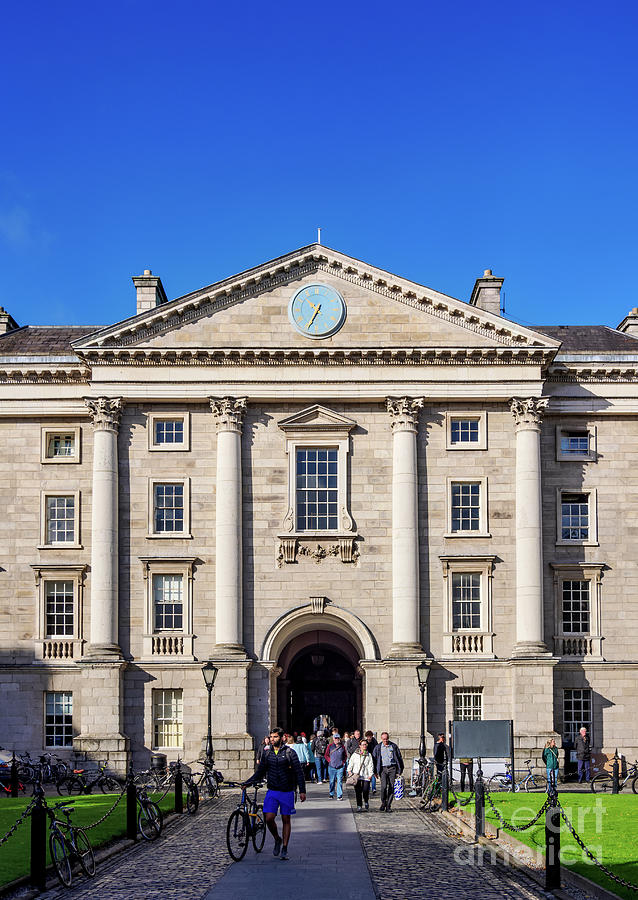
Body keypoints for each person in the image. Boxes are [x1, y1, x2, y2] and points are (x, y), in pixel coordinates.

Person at [243, 726, 306, 861]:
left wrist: (302, 791)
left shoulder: (290, 753)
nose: (272, 739)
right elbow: (260, 772)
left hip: (287, 791)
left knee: (285, 819)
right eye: (271, 737)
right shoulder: (267, 753)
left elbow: (299, 772)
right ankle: (277, 838)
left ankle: (284, 847)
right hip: (272, 790)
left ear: (282, 738)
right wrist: (247, 782)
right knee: (269, 818)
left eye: (275, 737)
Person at [372, 731, 404, 812]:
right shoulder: (378, 747)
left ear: (388, 738)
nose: (385, 741)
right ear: (381, 739)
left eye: (386, 739)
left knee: (391, 787)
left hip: (392, 768)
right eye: (384, 739)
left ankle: (388, 805)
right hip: (383, 769)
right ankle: (383, 802)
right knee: (383, 787)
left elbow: (399, 758)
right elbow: (374, 760)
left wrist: (400, 770)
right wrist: (375, 771)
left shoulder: (393, 746)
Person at [347, 737, 374, 811]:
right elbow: (351, 762)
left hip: (365, 775)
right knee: (358, 791)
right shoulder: (355, 754)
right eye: (363, 745)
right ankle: (359, 805)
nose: (364, 746)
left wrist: (370, 774)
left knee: (365, 790)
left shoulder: (369, 755)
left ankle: (366, 801)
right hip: (356, 775)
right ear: (360, 746)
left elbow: (370, 765)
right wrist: (349, 770)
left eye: (365, 744)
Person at [325, 732, 347, 800]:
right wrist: (329, 761)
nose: (337, 739)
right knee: (332, 781)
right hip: (331, 766)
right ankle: (331, 793)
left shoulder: (342, 746)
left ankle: (339, 795)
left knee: (339, 781)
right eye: (335, 738)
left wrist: (343, 762)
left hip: (340, 767)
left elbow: (345, 756)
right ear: (333, 739)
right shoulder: (330, 746)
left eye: (338, 738)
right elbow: (326, 755)